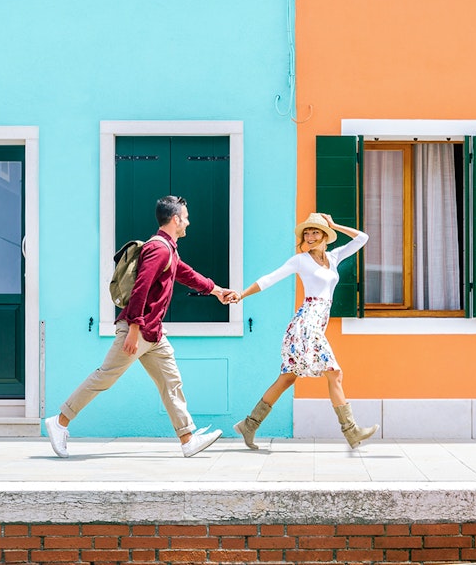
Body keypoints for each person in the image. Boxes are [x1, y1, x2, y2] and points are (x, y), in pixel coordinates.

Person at [45, 195, 237, 458]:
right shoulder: (158, 249)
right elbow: (140, 290)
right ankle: (60, 421)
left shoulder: (169, 249)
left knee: (171, 382)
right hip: (139, 329)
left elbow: (186, 274)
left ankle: (187, 439)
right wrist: (134, 329)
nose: (189, 222)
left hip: (153, 333)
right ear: (175, 219)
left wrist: (216, 290)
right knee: (105, 377)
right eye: (186, 217)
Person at [233, 212, 378, 450]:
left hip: (316, 323)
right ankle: (352, 432)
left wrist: (334, 224)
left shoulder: (333, 257)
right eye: (307, 233)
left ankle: (250, 424)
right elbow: (269, 279)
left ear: (324, 236)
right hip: (306, 324)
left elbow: (362, 237)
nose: (310, 236)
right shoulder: (300, 260)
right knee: (334, 374)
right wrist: (241, 294)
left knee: (288, 377)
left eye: (315, 232)